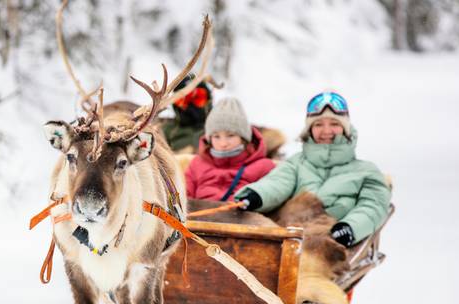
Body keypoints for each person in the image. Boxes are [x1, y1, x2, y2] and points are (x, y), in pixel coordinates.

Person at [234, 91, 391, 247]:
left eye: (335, 124)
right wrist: (256, 195)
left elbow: (373, 207)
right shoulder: (296, 164)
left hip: (330, 244)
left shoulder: (366, 172)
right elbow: (277, 184)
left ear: (346, 128)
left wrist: (349, 228)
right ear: (309, 129)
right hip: (290, 239)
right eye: (318, 124)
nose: (326, 131)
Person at [184, 97, 276, 201]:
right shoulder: (196, 164)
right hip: (198, 216)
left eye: (230, 135)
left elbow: (272, 194)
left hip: (243, 215)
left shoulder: (264, 167)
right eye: (216, 136)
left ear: (243, 138)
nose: (223, 143)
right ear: (209, 139)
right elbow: (184, 196)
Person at [161, 74, 213, 154]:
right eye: (183, 100)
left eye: (198, 98)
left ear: (208, 99)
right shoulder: (165, 131)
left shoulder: (218, 129)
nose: (191, 106)